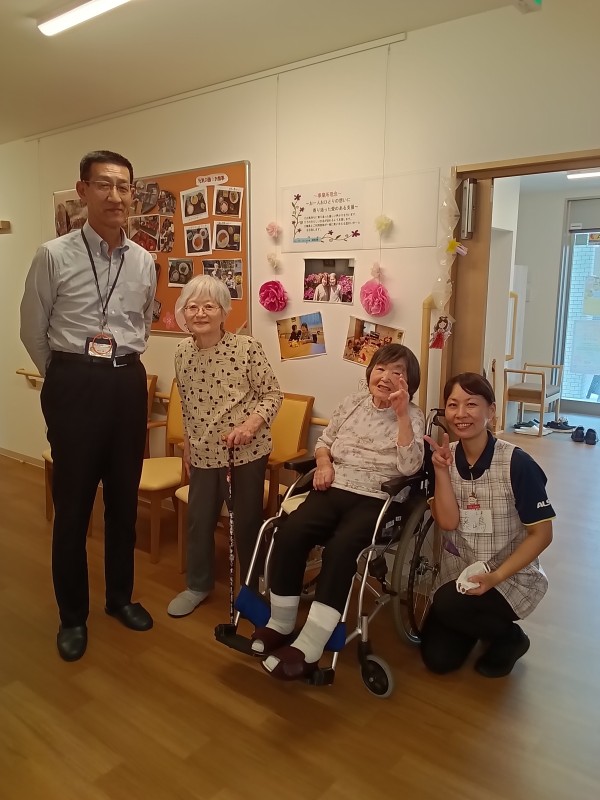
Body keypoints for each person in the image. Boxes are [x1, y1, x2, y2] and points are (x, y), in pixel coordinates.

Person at [20, 150, 157, 662]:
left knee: (124, 502)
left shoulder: (143, 259)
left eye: (124, 186)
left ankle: (120, 598)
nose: (116, 196)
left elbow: (142, 321)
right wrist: (65, 374)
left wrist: (116, 364)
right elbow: (32, 328)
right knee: (74, 507)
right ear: (83, 191)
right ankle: (72, 616)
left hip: (127, 383)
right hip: (74, 383)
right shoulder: (53, 255)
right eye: (104, 185)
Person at [251, 343, 425, 680]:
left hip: (377, 497)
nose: (386, 377)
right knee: (290, 532)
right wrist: (323, 464)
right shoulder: (352, 403)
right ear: (370, 372)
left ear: (409, 382)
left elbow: (409, 466)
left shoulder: (413, 416)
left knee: (342, 548)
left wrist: (402, 415)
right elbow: (324, 442)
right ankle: (280, 623)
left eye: (397, 373)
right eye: (380, 368)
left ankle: (311, 645)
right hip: (333, 486)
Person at [421, 373, 554, 678]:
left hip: (508, 575)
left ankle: (511, 638)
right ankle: (473, 622)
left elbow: (542, 534)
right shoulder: (442, 457)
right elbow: (448, 522)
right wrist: (440, 471)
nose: (461, 413)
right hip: (460, 572)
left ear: (491, 411)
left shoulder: (518, 463)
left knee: (447, 604)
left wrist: (495, 577)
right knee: (438, 660)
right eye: (453, 405)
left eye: (471, 404)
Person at [168, 275, 283, 617]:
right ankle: (198, 585)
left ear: (224, 312)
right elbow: (187, 403)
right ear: (184, 313)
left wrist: (250, 425)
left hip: (245, 453)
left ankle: (252, 589)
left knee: (246, 523)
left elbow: (273, 394)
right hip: (203, 452)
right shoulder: (182, 352)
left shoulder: (246, 348)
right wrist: (188, 446)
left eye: (209, 306)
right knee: (199, 520)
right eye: (192, 307)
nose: (200, 313)